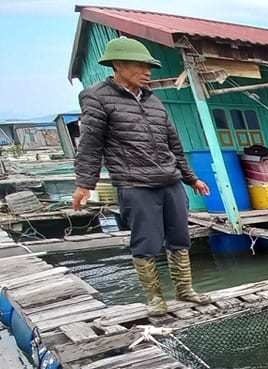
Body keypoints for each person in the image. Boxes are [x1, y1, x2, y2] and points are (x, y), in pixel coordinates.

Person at [71, 37, 212, 317]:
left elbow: (174, 144)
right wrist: (85, 183)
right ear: (118, 65)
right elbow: (90, 144)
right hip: (135, 183)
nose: (148, 72)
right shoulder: (96, 97)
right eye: (141, 66)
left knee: (180, 236)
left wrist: (190, 178)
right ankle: (156, 298)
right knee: (146, 241)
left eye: (150, 67)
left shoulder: (154, 101)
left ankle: (185, 290)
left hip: (169, 181)